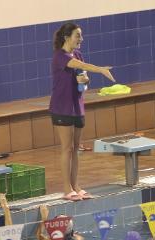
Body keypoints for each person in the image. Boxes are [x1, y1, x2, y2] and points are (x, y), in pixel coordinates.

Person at [49, 22, 116, 201]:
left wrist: (84, 81)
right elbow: (79, 65)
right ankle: (66, 188)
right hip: (62, 107)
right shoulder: (59, 57)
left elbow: (82, 81)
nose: (81, 39)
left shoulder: (77, 54)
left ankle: (75, 186)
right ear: (67, 37)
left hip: (77, 107)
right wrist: (100, 70)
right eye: (78, 35)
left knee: (76, 149)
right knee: (67, 148)